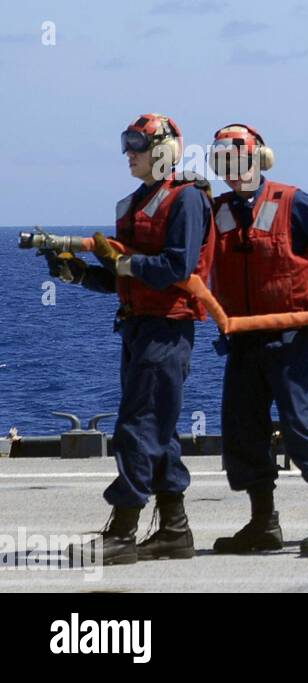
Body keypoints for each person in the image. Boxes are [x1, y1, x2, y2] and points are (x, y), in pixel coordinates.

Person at [57, 114, 214, 565]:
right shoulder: (134, 203)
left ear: (164, 148)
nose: (129, 153)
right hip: (138, 324)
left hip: (167, 325)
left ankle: (124, 530)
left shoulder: (185, 200)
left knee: (137, 425)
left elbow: (176, 268)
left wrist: (122, 265)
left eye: (138, 145)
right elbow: (121, 281)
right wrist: (82, 273)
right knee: (158, 430)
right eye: (127, 145)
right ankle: (174, 531)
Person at [206, 124, 308, 554]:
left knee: (304, 426)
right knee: (242, 432)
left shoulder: (292, 201)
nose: (232, 172)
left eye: (238, 161)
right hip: (241, 342)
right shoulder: (214, 211)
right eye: (223, 164)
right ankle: (263, 523)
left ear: (259, 160)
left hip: (290, 340)